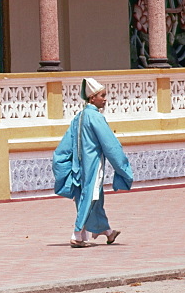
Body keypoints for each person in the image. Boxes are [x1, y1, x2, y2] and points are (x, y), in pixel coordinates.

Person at [53, 77, 133, 248]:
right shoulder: (95, 117)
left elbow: (66, 144)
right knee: (90, 196)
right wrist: (123, 167)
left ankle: (106, 231)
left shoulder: (79, 117)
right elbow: (110, 145)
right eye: (102, 95)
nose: (105, 99)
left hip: (80, 165)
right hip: (93, 165)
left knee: (94, 197)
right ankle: (77, 234)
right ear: (92, 98)